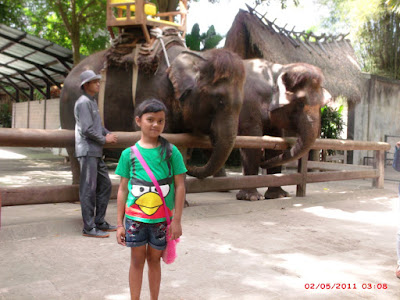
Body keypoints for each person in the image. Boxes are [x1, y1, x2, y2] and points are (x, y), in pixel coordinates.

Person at [115, 99, 186, 299]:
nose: (155, 124)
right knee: (137, 261)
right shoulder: (128, 154)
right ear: (138, 121)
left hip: (162, 221)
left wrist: (177, 220)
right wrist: (119, 223)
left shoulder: (172, 152)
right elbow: (122, 190)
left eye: (160, 121)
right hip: (135, 220)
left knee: (154, 261)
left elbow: (180, 186)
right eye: (150, 119)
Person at [74, 69, 118, 238]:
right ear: (86, 85)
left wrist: (107, 133)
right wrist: (104, 139)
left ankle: (99, 221)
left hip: (95, 151)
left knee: (105, 185)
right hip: (87, 151)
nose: (98, 83)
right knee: (88, 189)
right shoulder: (84, 102)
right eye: (95, 82)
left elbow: (97, 127)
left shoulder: (91, 102)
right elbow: (86, 129)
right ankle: (89, 227)